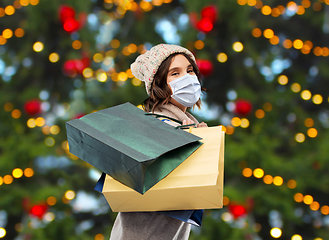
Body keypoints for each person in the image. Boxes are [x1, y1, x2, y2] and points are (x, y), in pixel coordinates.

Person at [109, 43, 207, 240]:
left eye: (190, 70)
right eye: (175, 73)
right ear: (159, 84)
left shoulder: (183, 124)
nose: (187, 78)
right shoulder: (155, 125)